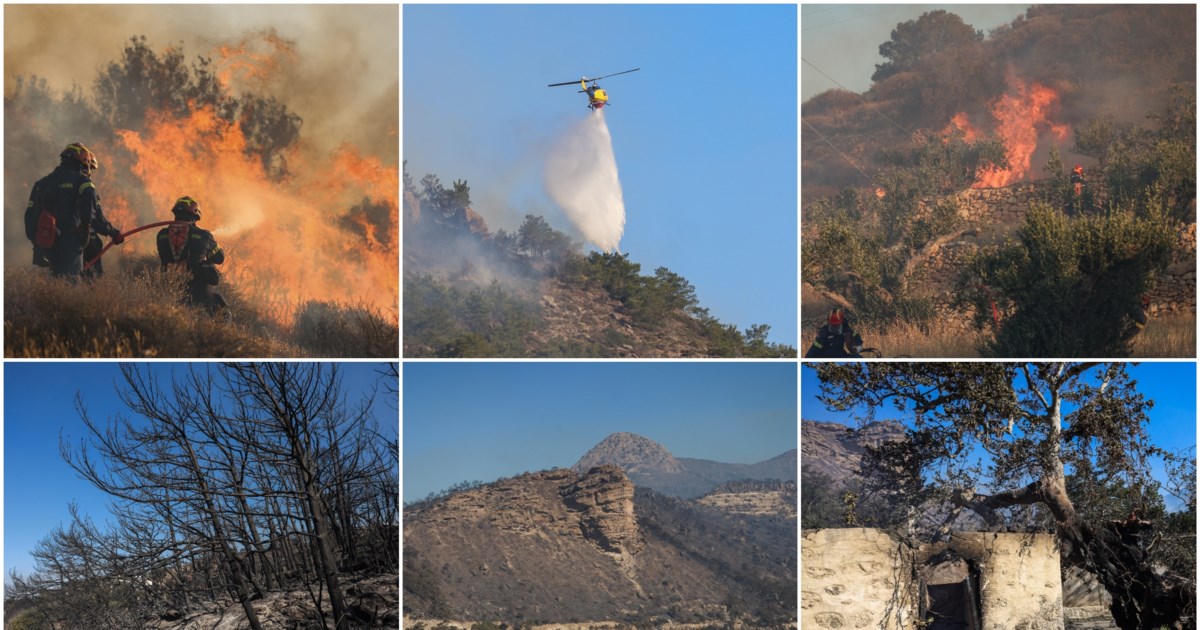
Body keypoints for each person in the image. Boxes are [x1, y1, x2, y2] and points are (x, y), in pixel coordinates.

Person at [24, 143, 123, 279]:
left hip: (44, 243)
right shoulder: (82, 182)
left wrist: (37, 239)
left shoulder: (42, 184)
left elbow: (29, 216)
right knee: (70, 284)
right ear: (84, 161)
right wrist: (113, 233)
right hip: (70, 242)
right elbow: (95, 215)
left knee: (49, 285)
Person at [157, 196, 227, 312]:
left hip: (168, 285)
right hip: (198, 289)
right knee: (220, 311)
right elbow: (219, 258)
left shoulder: (162, 234)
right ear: (195, 216)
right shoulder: (205, 235)